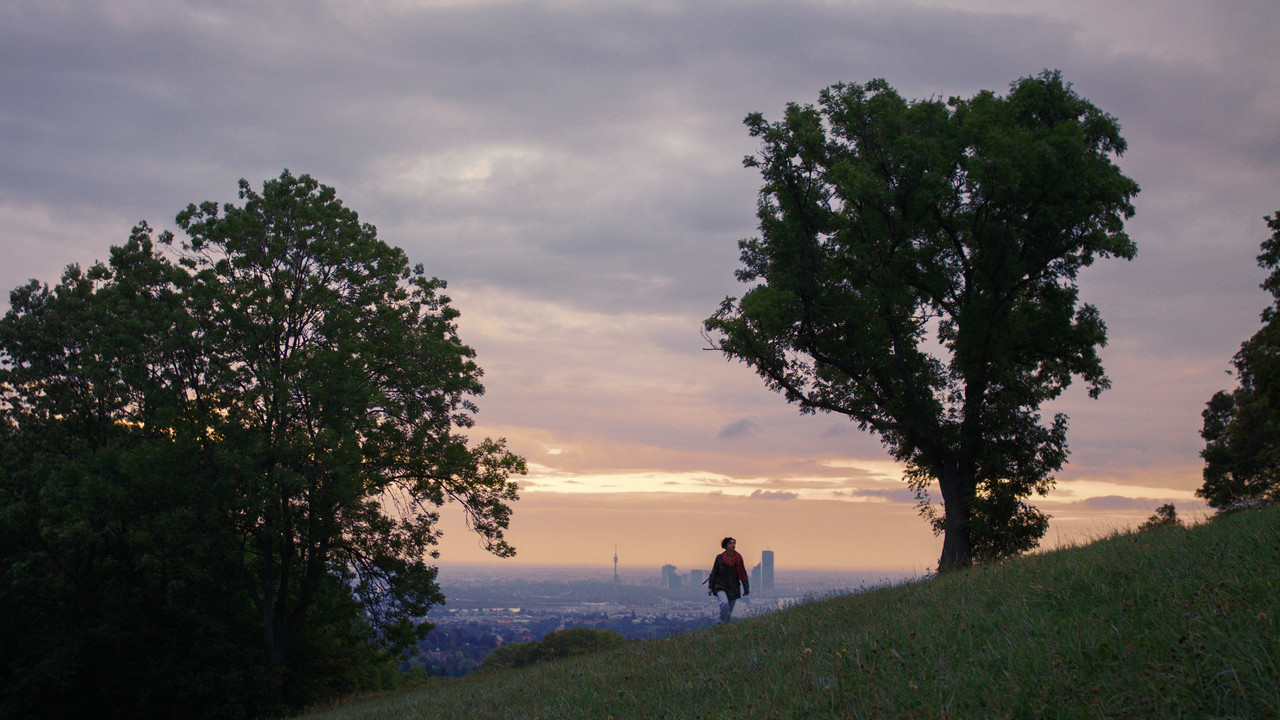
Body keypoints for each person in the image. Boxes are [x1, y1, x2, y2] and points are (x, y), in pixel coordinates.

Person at [706, 536, 749, 623]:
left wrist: (746, 588)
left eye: (734, 543)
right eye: (730, 543)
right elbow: (714, 572)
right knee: (724, 603)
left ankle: (725, 628)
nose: (733, 545)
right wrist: (710, 587)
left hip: (733, 588)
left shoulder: (738, 558)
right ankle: (721, 622)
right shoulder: (719, 558)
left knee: (729, 612)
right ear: (725, 546)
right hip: (720, 586)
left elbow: (743, 573)